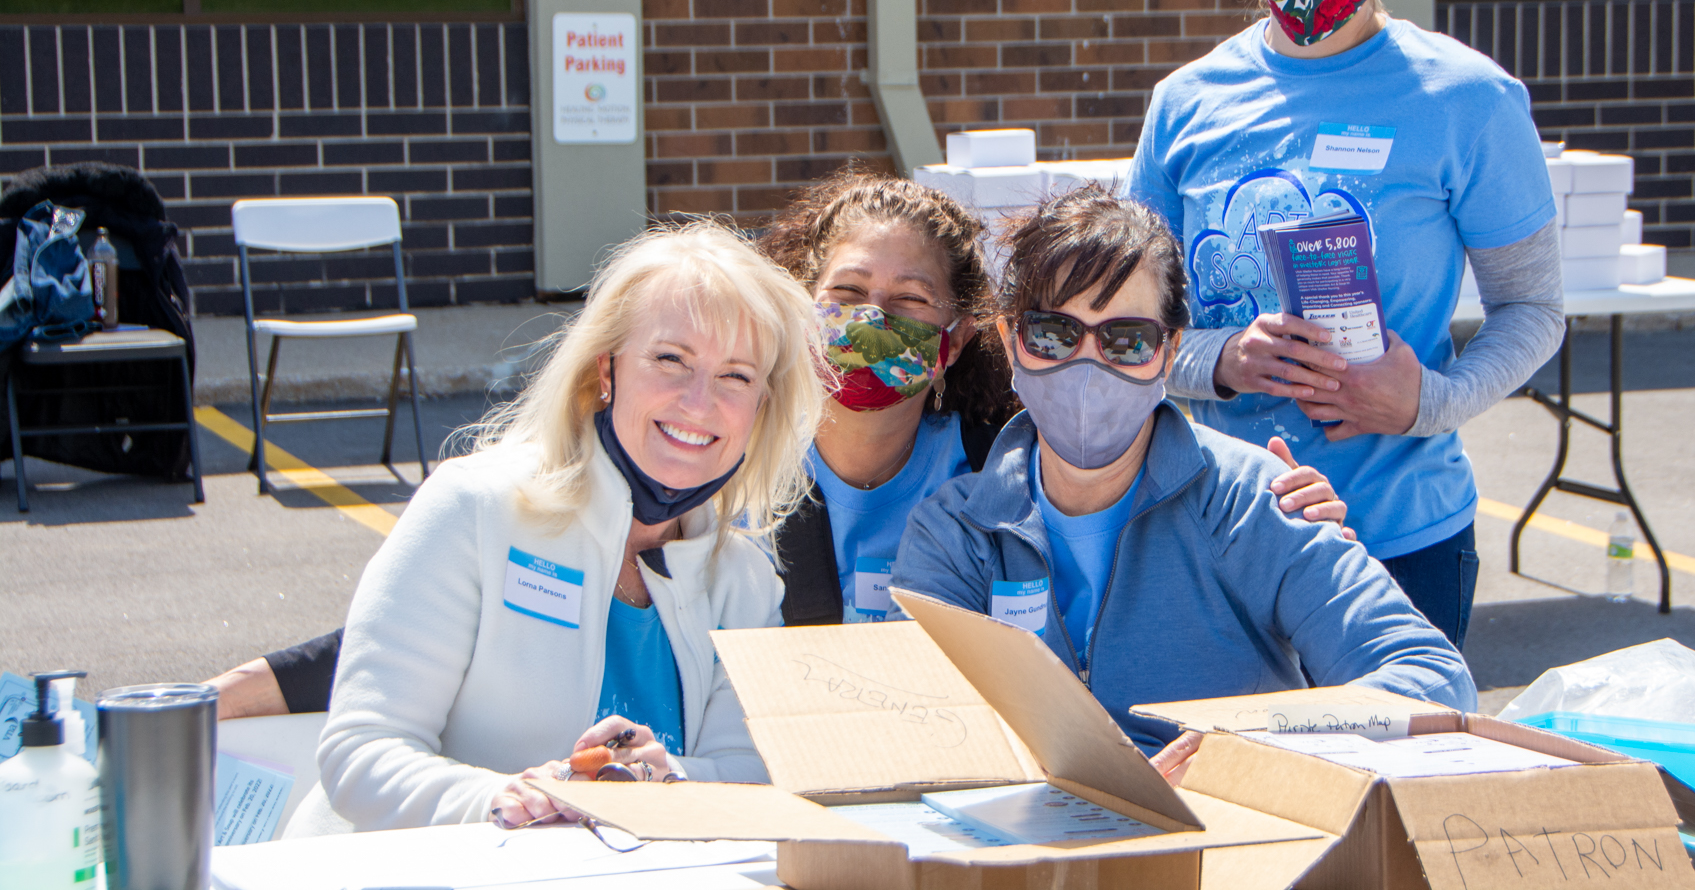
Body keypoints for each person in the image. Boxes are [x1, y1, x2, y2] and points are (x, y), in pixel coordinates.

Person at [210, 172, 1358, 717]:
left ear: (960, 339)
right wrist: (222, 696)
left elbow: (1120, 431)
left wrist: (1273, 501)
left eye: (910, 305)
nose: (875, 323)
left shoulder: (995, 465)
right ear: (793, 305)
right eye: (845, 292)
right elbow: (455, 596)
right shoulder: (715, 453)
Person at [1125, 0, 1565, 648]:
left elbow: (1535, 309)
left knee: (1382, 783)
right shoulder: (1185, 104)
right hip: (1218, 531)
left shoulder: (1466, 99)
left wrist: (1427, 402)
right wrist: (1221, 360)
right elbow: (1127, 327)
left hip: (1398, 539)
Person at [891, 186, 1476, 758]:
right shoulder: (955, 533)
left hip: (1227, 835)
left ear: (1170, 353)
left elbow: (1429, 679)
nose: (1088, 362)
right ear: (1010, 340)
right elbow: (915, 716)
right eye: (1054, 334)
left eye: (1127, 341)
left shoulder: (1251, 500)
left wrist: (1235, 758)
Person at [285, 220, 825, 834]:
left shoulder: (748, 583)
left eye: (736, 375)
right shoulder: (474, 509)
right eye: (670, 359)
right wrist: (511, 797)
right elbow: (362, 754)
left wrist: (667, 776)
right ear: (606, 370)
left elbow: (748, 776)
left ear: (761, 407)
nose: (699, 402)